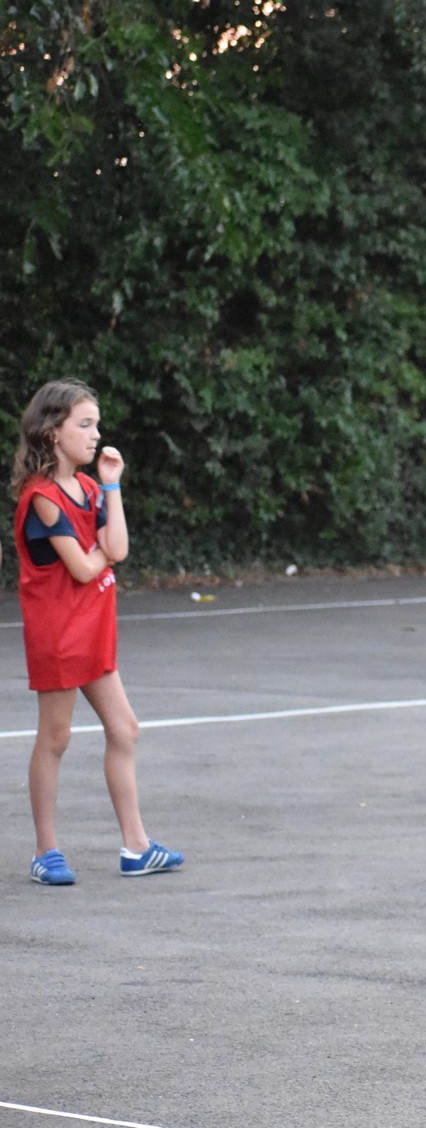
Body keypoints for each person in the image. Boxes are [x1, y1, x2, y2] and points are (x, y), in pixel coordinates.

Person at [11, 379, 183, 885]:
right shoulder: (42, 499)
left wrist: (111, 485)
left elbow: (117, 549)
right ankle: (45, 852)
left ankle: (136, 847)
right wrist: (102, 551)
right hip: (59, 634)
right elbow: (84, 569)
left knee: (124, 729)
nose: (95, 435)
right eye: (84, 425)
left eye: (96, 425)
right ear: (52, 432)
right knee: (56, 737)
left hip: (92, 630)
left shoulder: (89, 489)